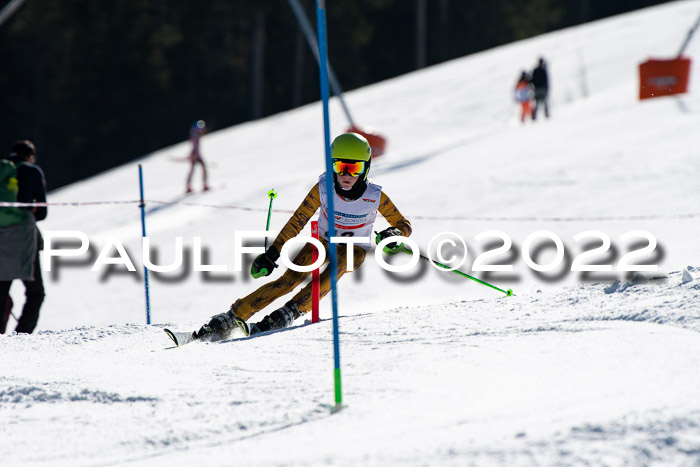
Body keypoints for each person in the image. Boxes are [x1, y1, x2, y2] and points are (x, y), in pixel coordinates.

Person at [197, 132, 412, 338]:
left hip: (353, 250)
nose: (346, 175)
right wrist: (273, 253)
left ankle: (289, 312)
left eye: (354, 168)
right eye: (340, 166)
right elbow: (297, 221)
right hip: (322, 242)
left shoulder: (374, 196)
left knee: (342, 262)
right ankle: (232, 317)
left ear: (366, 168)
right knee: (289, 280)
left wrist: (394, 233)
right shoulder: (324, 188)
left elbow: (404, 225)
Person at [0, 140, 45, 334]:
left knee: (1, 293)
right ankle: (22, 336)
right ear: (29, 156)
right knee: (35, 293)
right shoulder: (31, 171)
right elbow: (42, 213)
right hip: (24, 238)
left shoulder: (2, 172)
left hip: (1, 238)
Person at [186, 120, 209, 193]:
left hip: (196, 155)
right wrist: (193, 156)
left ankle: (189, 185)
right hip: (196, 156)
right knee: (200, 169)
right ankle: (190, 186)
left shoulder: (195, 136)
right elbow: (194, 147)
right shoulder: (195, 137)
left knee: (194, 170)